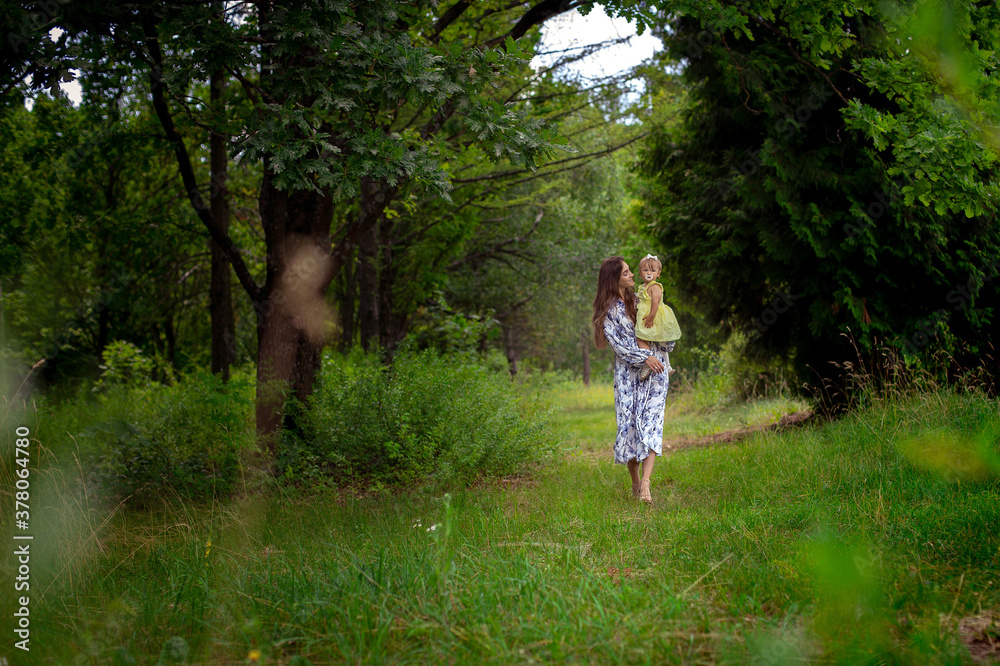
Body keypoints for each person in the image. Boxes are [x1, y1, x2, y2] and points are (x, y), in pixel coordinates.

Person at [592, 256, 675, 504]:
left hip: (656, 372)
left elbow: (662, 330)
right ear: (613, 278)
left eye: (631, 271)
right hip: (628, 375)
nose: (632, 275)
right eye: (627, 272)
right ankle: (636, 484)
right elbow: (619, 347)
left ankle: (647, 485)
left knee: (651, 423)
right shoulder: (608, 312)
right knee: (629, 428)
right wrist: (644, 356)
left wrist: (661, 346)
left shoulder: (642, 300)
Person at [634, 254, 682, 380]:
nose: (649, 273)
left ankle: (660, 363)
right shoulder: (642, 287)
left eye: (653, 270)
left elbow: (655, 302)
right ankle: (659, 363)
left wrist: (651, 316)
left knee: (648, 339)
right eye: (645, 270)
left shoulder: (655, 286)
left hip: (655, 317)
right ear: (640, 273)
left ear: (658, 273)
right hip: (646, 316)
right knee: (649, 339)